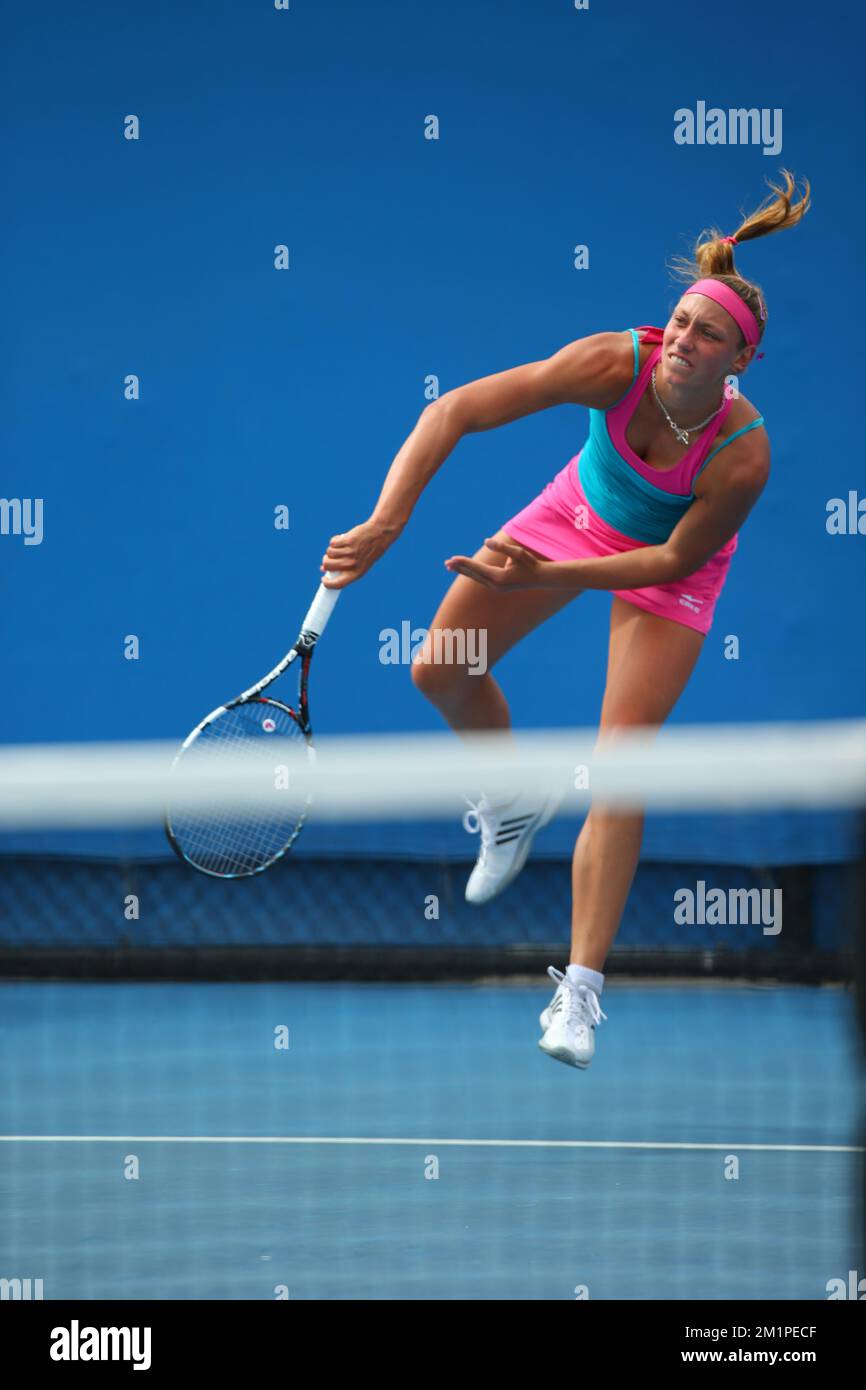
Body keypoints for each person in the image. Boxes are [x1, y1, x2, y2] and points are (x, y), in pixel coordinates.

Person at [320, 169, 811, 1070]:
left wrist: (555, 575)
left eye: (709, 337)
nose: (683, 342)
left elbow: (668, 562)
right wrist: (387, 523)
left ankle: (579, 994)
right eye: (682, 323)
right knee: (440, 668)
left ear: (740, 362)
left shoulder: (744, 456)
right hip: (574, 513)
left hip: (668, 575)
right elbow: (455, 409)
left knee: (621, 766)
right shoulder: (614, 361)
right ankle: (511, 802)